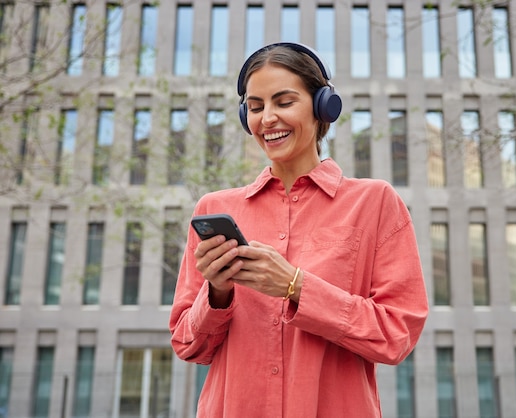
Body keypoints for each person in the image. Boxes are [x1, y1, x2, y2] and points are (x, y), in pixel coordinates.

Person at [169, 42, 428, 417]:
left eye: (284, 102)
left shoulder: (374, 203)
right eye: (255, 107)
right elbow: (189, 345)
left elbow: (396, 336)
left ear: (323, 107)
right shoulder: (215, 209)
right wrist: (218, 292)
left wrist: (296, 286)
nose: (267, 118)